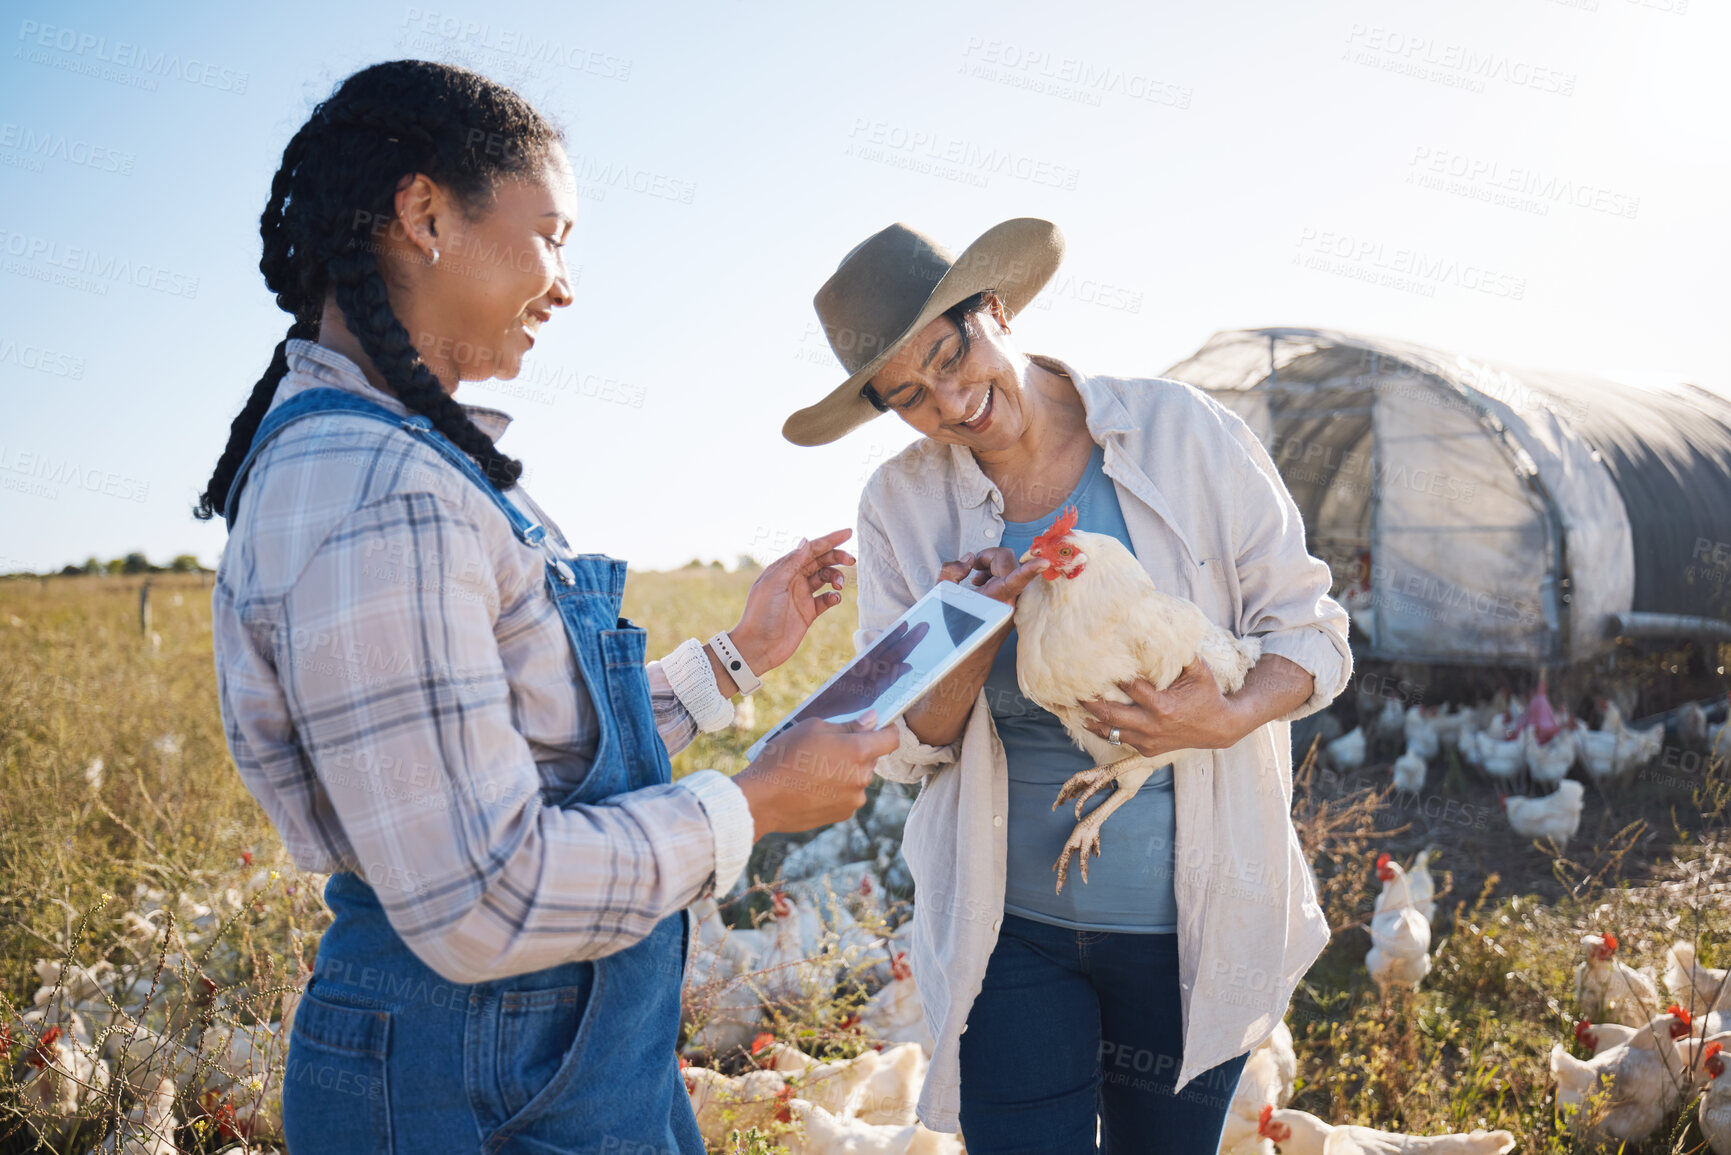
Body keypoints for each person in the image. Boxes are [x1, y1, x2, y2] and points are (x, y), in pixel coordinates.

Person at [198, 60, 896, 1153]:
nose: (566, 284)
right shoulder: (380, 492)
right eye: (553, 234)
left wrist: (738, 659)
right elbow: (486, 898)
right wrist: (751, 806)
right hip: (474, 1074)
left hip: (533, 1055)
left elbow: (519, 763)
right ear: (424, 213)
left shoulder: (398, 463)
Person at [783, 219, 1352, 1152]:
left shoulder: (1184, 435)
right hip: (1008, 930)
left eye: (951, 353)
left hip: (1186, 926)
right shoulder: (901, 505)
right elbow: (914, 742)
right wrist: (964, 629)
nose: (953, 400)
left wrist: (1232, 714)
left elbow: (1311, 629)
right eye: (910, 396)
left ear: (995, 309)